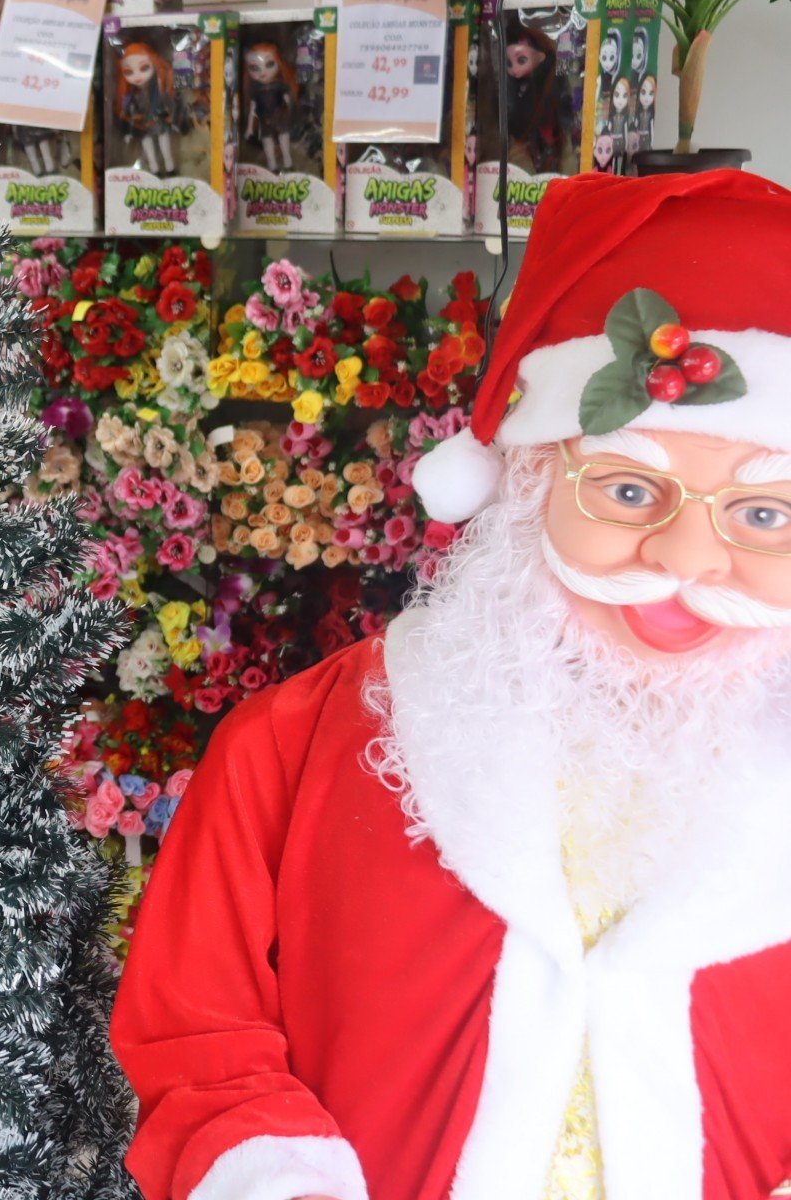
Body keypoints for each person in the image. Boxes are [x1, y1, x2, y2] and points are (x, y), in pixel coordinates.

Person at [113, 170, 791, 1199]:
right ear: (522, 479)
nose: (690, 557)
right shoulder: (292, 746)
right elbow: (196, 1028)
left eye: (764, 513)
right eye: (626, 488)